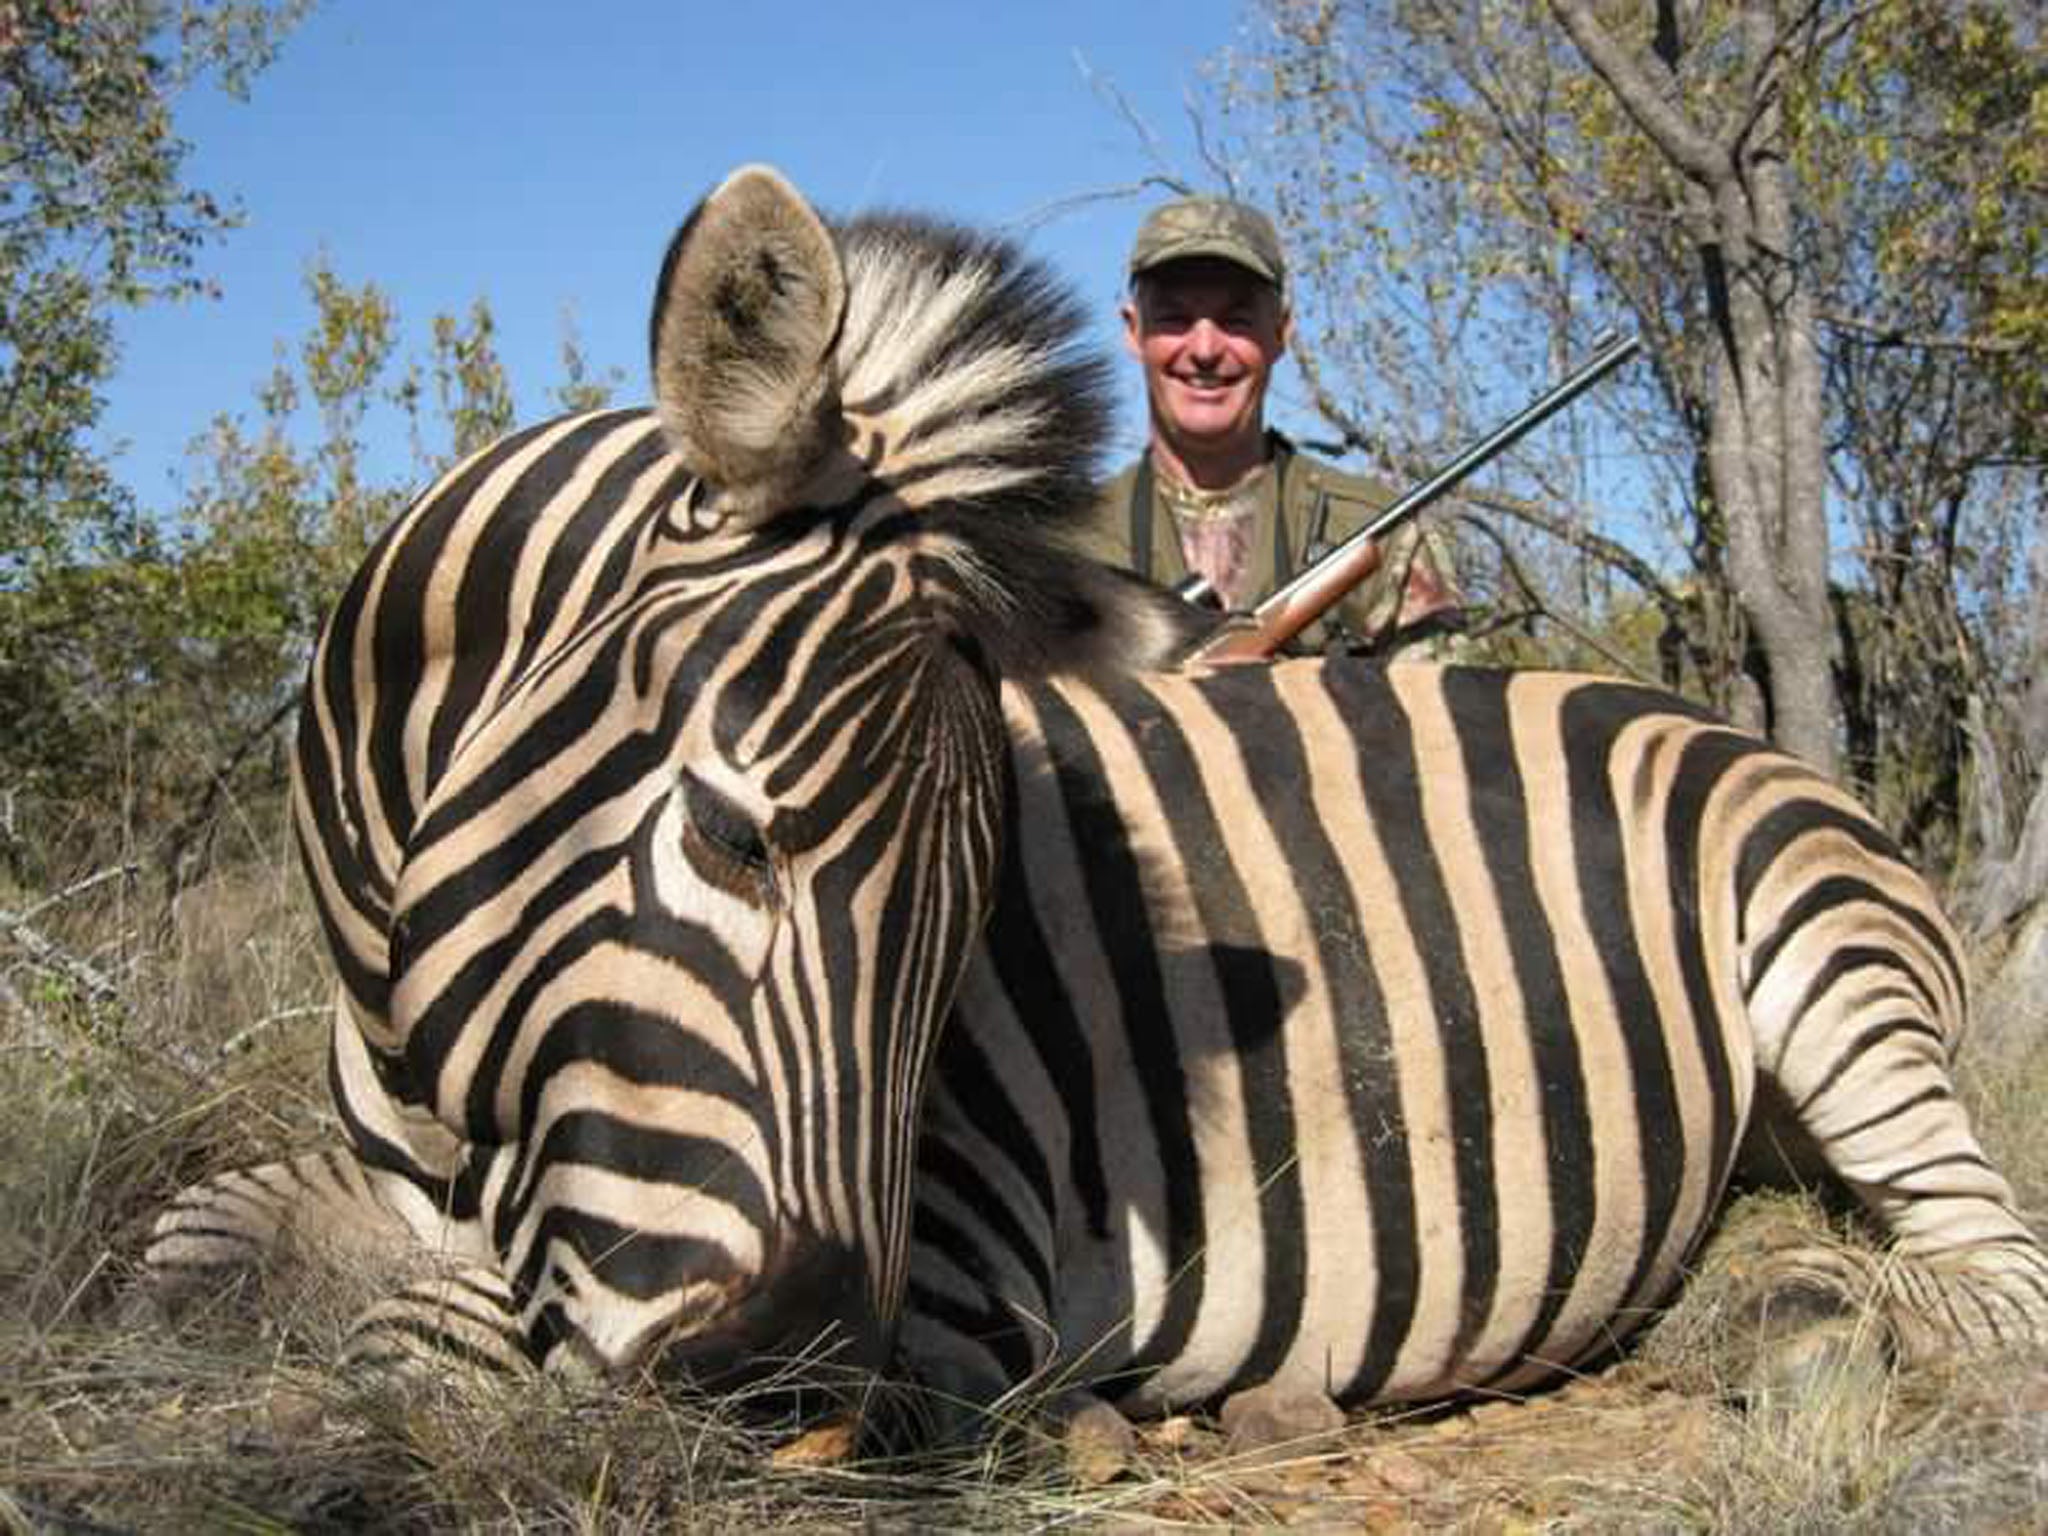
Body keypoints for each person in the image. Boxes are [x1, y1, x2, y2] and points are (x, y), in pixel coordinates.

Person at [1084, 193, 1465, 658]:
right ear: (1133, 331)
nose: (1204, 348)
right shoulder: (1069, 545)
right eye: (1175, 319)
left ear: (1281, 332)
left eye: (1236, 320)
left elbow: (1444, 722)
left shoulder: (1378, 534)